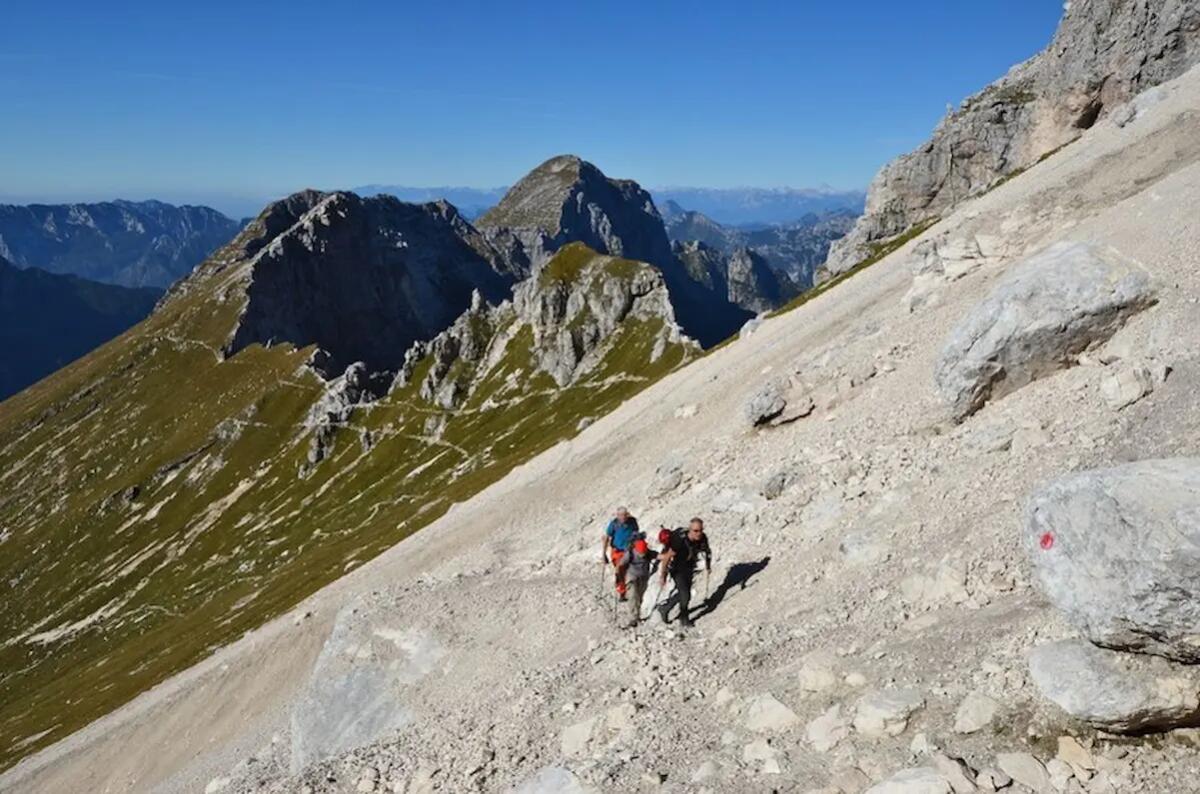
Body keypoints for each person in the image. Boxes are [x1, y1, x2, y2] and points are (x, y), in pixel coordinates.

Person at [657, 517, 712, 628]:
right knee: (685, 594)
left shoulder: (702, 538)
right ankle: (684, 618)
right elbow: (667, 557)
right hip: (677, 569)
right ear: (690, 530)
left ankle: (665, 608)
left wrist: (708, 565)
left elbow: (707, 551)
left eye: (701, 530)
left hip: (689, 568)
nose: (699, 533)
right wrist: (663, 575)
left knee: (684, 593)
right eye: (696, 531)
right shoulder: (680, 540)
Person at [601, 507, 640, 600]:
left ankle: (632, 589)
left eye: (624, 515)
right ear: (617, 515)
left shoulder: (632, 522)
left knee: (631, 570)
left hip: (630, 550)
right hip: (617, 551)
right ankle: (622, 592)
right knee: (620, 571)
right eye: (620, 515)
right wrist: (604, 553)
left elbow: (636, 533)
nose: (623, 517)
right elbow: (607, 537)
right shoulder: (614, 524)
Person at [623, 537, 656, 628]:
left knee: (640, 596)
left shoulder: (648, 553)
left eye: (644, 552)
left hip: (643, 577)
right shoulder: (630, 554)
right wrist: (619, 577)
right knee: (633, 596)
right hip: (632, 577)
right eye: (641, 552)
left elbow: (659, 556)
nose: (643, 554)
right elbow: (621, 564)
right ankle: (633, 618)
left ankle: (637, 615)